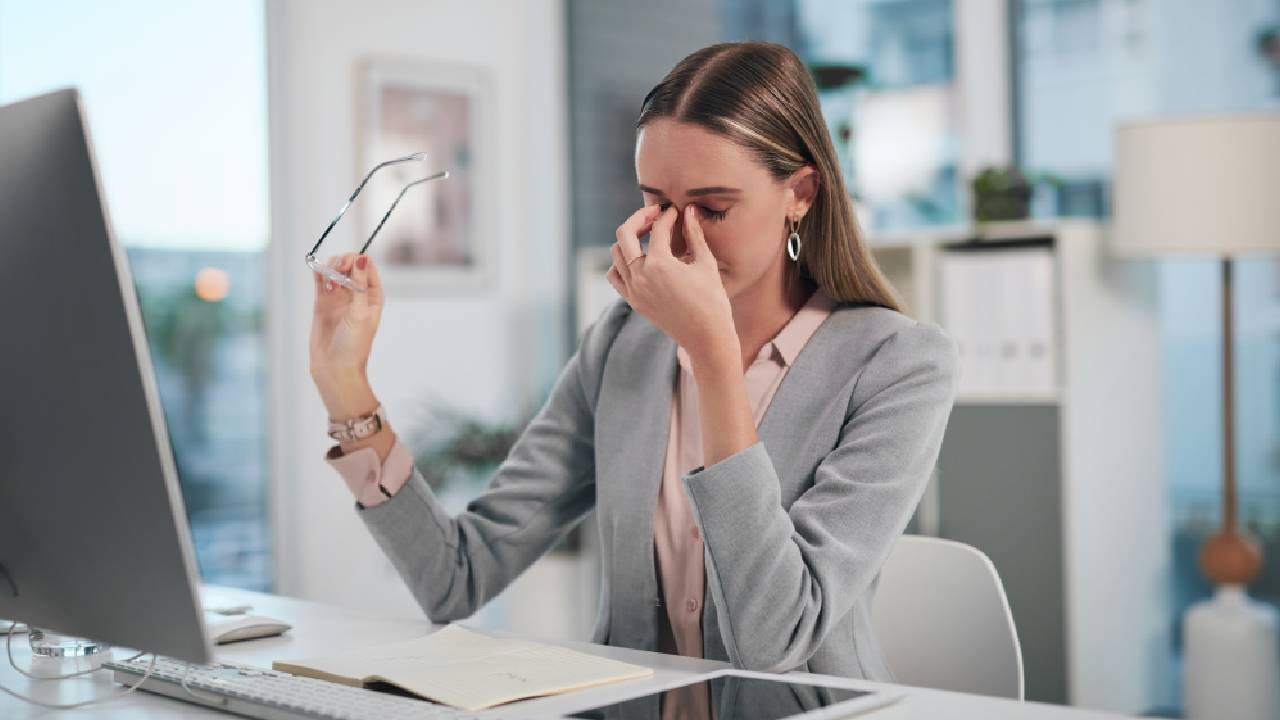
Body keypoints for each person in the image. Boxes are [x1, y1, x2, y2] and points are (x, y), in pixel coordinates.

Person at [308, 41, 958, 690]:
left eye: (713, 209)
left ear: (802, 194)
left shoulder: (898, 364)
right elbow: (454, 578)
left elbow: (775, 639)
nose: (675, 238)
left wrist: (712, 358)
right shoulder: (624, 343)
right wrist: (347, 391)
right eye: (657, 201)